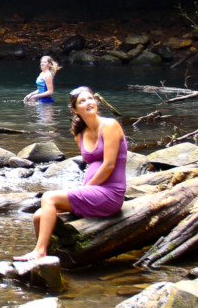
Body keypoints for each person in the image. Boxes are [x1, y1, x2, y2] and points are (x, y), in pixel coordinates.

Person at [14, 86, 128, 261]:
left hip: (110, 193)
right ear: (75, 110)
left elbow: (108, 165)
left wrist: (85, 189)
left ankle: (40, 252)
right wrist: (84, 191)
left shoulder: (110, 125)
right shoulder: (80, 134)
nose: (89, 103)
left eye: (90, 98)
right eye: (82, 101)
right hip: (94, 192)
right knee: (38, 215)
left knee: (49, 198)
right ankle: (46, 260)